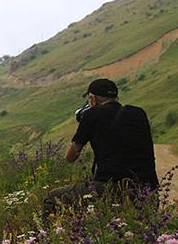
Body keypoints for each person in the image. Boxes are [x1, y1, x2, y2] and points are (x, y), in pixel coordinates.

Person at [42, 78, 157, 221]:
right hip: (148, 189)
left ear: (92, 99)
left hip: (112, 187)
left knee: (52, 198)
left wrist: (85, 125)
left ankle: (49, 240)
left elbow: (70, 157)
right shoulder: (139, 113)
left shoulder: (91, 115)